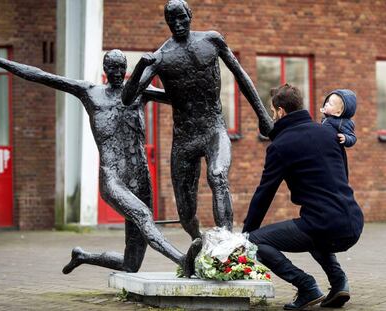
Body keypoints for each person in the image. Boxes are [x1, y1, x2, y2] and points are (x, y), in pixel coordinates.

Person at [0, 48, 201, 277]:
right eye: (112, 67)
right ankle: (183, 260)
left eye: (121, 67)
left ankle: (82, 256)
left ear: (126, 70)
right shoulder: (90, 92)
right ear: (104, 69)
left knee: (131, 263)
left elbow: (179, 97)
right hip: (113, 176)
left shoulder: (139, 91)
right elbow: (39, 75)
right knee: (143, 215)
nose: (117, 72)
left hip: (140, 176)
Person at [123, 0, 273, 240]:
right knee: (185, 212)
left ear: (190, 15)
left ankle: (226, 245)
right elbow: (128, 97)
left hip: (214, 127)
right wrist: (141, 66)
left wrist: (262, 114)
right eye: (172, 20)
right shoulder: (161, 57)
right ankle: (198, 243)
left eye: (181, 17)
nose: (178, 23)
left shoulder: (211, 40)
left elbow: (240, 75)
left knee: (217, 175)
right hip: (184, 138)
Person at [242, 84, 364, 310]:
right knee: (312, 229)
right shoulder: (329, 132)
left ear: (280, 111)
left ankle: (306, 286)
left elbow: (264, 194)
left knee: (255, 242)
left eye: (272, 111)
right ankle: (339, 284)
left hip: (324, 224)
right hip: (353, 220)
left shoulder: (280, 145)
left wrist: (245, 234)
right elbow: (343, 176)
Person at [321, 89, 357, 178]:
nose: (326, 104)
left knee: (339, 173)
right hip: (326, 150)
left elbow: (352, 137)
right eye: (327, 101)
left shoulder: (342, 122)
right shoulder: (326, 119)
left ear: (338, 112)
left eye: (330, 104)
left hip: (336, 153)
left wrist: (345, 138)